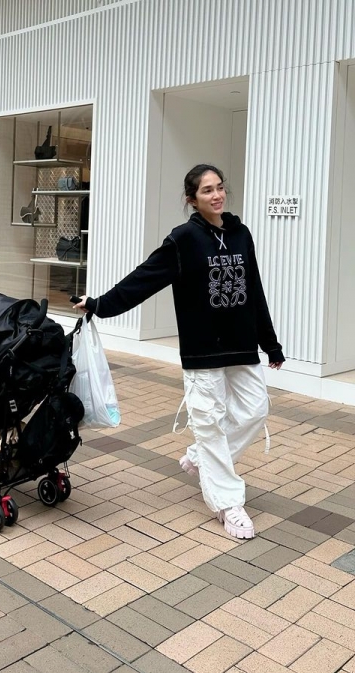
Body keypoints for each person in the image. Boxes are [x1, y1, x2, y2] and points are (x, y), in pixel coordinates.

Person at [73, 164, 284, 540]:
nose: (217, 195)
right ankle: (227, 503)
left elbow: (255, 291)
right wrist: (100, 304)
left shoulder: (241, 234)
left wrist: (270, 342)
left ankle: (203, 458)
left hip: (240, 344)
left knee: (256, 409)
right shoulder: (183, 240)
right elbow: (145, 278)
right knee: (208, 421)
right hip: (202, 349)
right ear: (192, 199)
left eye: (220, 187)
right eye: (207, 191)